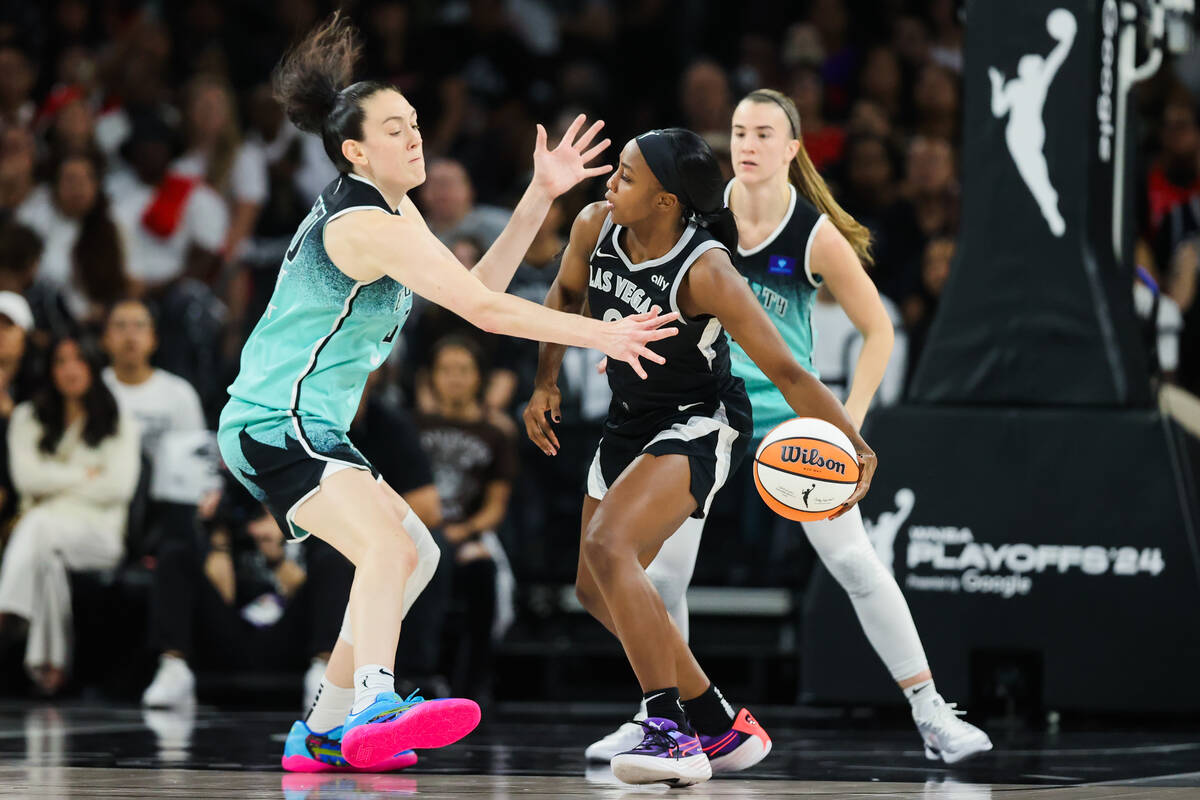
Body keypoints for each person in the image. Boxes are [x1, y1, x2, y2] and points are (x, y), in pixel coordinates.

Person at [215, 13, 677, 774]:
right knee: (389, 548)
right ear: (356, 150)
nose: (415, 137)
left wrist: (538, 195)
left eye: (417, 124)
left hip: (313, 427)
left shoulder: (396, 213)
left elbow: (474, 290)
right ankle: (371, 702)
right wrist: (607, 334)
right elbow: (488, 312)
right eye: (395, 129)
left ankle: (324, 731)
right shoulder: (364, 220)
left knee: (415, 554)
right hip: (277, 421)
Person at [584, 89, 992, 767]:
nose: (748, 144)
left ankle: (930, 711)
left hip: (782, 419)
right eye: (740, 131)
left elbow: (880, 328)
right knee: (659, 580)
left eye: (765, 133)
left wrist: (848, 423)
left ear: (793, 150)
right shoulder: (697, 217)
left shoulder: (813, 233)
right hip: (697, 408)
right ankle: (666, 718)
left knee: (853, 561)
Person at [523, 127, 876, 787]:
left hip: (701, 420)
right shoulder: (594, 225)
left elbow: (789, 372)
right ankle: (717, 722)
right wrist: (545, 380)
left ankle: (669, 731)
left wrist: (852, 440)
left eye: (626, 176)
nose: (609, 183)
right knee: (593, 591)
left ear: (666, 202)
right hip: (628, 421)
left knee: (608, 546)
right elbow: (565, 298)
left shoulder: (707, 270)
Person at [0, 336, 140, 694]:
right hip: (45, 535)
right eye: (61, 361)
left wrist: (52, 485)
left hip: (101, 534)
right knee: (47, 554)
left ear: (93, 366)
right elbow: (26, 479)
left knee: (38, 524)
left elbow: (118, 488)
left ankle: (8, 612)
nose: (69, 369)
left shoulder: (118, 420)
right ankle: (49, 669)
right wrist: (84, 476)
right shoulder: (27, 417)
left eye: (79, 360)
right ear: (49, 370)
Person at [417, 336, 518, 705]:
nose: (454, 379)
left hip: (469, 533)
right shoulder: (411, 425)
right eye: (446, 370)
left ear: (479, 378)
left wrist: (464, 532)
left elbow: (496, 505)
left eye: (463, 371)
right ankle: (418, 676)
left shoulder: (495, 434)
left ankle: (471, 686)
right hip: (416, 532)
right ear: (432, 377)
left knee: (485, 572)